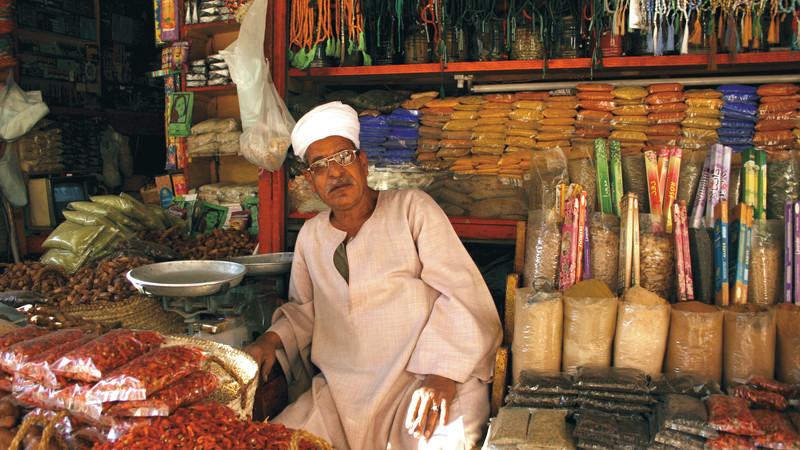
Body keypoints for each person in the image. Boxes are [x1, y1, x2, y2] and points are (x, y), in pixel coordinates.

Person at [245, 101, 501, 450]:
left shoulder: (412, 209)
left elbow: (462, 294)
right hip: (340, 394)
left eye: (343, 158)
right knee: (273, 443)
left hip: (419, 380)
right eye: (320, 166)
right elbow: (306, 310)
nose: (335, 173)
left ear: (363, 164)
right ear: (310, 181)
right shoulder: (311, 235)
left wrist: (442, 375)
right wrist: (270, 340)